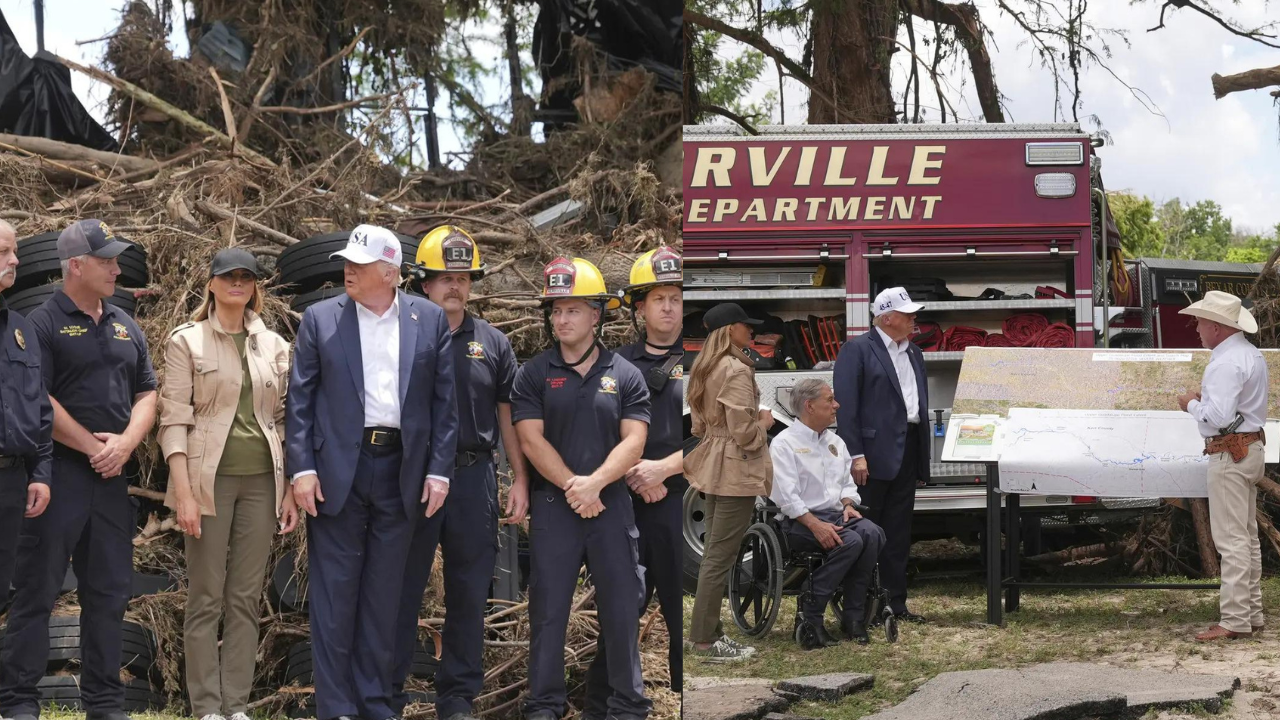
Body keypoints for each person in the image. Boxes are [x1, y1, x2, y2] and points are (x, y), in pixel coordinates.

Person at [285, 225, 458, 720]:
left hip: (403, 467)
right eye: (347, 262)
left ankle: (376, 703)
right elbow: (300, 402)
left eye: (359, 265)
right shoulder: (319, 319)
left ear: (389, 271)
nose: (348, 271)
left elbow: (444, 405)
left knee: (386, 595)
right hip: (340, 467)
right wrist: (302, 469)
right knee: (335, 595)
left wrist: (439, 472)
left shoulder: (428, 319)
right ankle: (337, 707)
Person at [0, 219, 157, 720]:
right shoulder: (38, 323)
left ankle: (106, 705)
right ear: (76, 265)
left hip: (112, 482)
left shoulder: (124, 323)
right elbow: (35, 398)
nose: (116, 267)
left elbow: (148, 391)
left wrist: (127, 443)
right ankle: (19, 702)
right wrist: (93, 446)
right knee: (36, 593)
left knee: (109, 596)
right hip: (58, 476)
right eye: (106, 260)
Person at [391, 225, 530, 720]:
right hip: (412, 477)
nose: (455, 286)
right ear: (422, 282)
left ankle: (457, 701)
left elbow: (508, 415)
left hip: (473, 479)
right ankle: (390, 694)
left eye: (464, 278)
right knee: (402, 587)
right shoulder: (401, 335)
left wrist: (519, 477)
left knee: (469, 594)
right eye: (445, 277)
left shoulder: (492, 342)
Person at [157, 248, 300, 720]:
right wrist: (183, 493)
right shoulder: (187, 341)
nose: (238, 283)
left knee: (244, 596)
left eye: (246, 277)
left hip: (263, 480)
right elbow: (172, 419)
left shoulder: (276, 345)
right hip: (207, 481)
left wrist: (287, 489)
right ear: (212, 284)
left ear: (255, 286)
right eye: (229, 276)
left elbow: (282, 420)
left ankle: (235, 706)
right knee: (205, 596)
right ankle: (206, 708)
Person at [510, 257, 652, 720]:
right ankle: (544, 706)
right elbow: (530, 439)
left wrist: (596, 484)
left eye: (572, 309)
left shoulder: (625, 373)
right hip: (555, 507)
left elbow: (635, 440)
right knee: (548, 614)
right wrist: (575, 485)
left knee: (621, 611)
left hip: (611, 506)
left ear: (596, 314)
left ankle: (627, 706)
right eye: (555, 310)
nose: (561, 319)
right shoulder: (533, 373)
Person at [584, 246, 684, 713]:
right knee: (623, 608)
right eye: (658, 298)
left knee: (682, 611)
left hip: (682, 498)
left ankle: (688, 699)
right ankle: (600, 704)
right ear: (638, 308)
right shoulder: (613, 364)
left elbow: (721, 435)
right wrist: (631, 475)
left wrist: (664, 469)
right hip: (625, 500)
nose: (668, 306)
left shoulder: (706, 361)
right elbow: (596, 432)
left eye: (677, 298)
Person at [1175, 290, 1269, 641]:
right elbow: (1235, 410)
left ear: (1216, 326)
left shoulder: (1225, 361)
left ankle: (1234, 620)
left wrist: (1190, 405)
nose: (1196, 327)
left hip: (1229, 452)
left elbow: (1218, 417)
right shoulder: (1249, 355)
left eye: (1200, 321)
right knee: (1245, 538)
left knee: (1231, 541)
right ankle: (1250, 613)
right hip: (1248, 447)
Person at [833, 286, 929, 623]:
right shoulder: (857, 350)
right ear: (887, 317)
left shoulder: (914, 353)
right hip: (871, 457)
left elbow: (917, 405)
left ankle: (895, 605)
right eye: (908, 314)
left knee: (899, 534)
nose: (914, 319)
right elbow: (846, 409)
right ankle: (864, 608)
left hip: (907, 451)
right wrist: (856, 455)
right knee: (867, 534)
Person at [683, 302, 773, 663]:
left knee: (715, 555)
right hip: (736, 467)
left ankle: (711, 635)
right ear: (730, 330)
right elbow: (746, 433)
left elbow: (700, 426)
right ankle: (704, 640)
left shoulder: (706, 367)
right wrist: (764, 422)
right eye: (745, 326)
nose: (750, 332)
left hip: (715, 462)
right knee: (721, 555)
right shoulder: (735, 369)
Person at [770, 378, 885, 649]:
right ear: (809, 406)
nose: (837, 405)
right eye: (829, 400)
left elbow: (846, 483)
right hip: (799, 522)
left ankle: (854, 616)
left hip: (836, 515)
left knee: (872, 533)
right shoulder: (784, 443)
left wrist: (848, 504)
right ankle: (810, 614)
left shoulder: (835, 442)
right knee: (851, 541)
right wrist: (815, 525)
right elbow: (786, 496)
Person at [0, 220, 52, 621]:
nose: (15, 260)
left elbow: (38, 408)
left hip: (11, 481)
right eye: (4, 252)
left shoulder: (20, 329)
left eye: (14, 251)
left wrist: (40, 473)